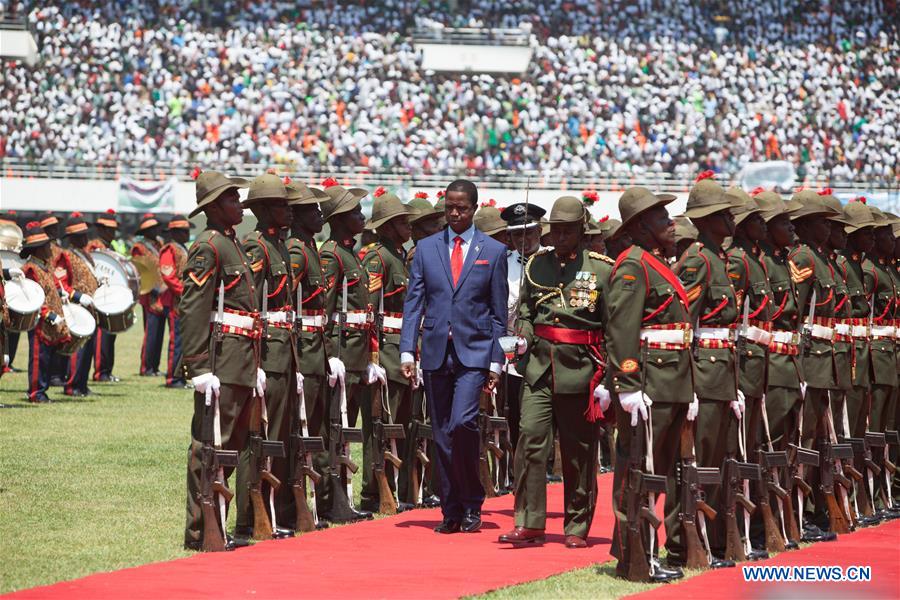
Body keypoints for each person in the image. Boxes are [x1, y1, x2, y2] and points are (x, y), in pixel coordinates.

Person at [498, 195, 610, 549]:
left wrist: (606, 374)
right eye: (555, 230)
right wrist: (524, 337)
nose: (559, 237)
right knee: (530, 439)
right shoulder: (536, 266)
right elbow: (528, 312)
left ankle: (576, 525)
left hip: (581, 369)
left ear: (581, 230)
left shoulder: (602, 270)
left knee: (578, 452)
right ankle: (530, 522)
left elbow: (612, 325)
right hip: (538, 368)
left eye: (566, 231)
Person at [399, 179, 509, 534]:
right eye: (449, 208)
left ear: (474, 208)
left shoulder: (492, 251)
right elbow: (414, 303)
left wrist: (496, 360)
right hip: (434, 350)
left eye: (461, 208)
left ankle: (472, 500)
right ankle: (452, 509)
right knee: (442, 433)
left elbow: (497, 312)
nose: (455, 213)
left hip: (474, 351)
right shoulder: (427, 249)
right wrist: (406, 349)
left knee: (463, 423)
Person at [606, 186, 690, 583]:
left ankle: (649, 552)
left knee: (661, 471)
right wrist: (626, 382)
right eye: (661, 218)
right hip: (648, 382)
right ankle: (634, 554)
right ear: (641, 226)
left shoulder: (656, 262)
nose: (671, 224)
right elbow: (622, 328)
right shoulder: (631, 265)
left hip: (670, 381)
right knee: (639, 471)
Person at [182, 170, 257, 551]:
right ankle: (201, 531)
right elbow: (193, 309)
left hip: (241, 357)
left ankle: (221, 526)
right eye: (231, 199)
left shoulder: (234, 244)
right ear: (213, 207)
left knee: (229, 446)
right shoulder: (208, 246)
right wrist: (198, 368)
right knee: (209, 447)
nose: (239, 204)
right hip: (221, 358)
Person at [675, 173, 745, 563]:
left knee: (718, 460)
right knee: (699, 461)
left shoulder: (718, 258)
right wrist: (689, 385)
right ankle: (693, 540)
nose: (731, 220)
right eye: (723, 214)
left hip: (721, 370)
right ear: (706, 220)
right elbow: (684, 322)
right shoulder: (699, 261)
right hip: (703, 371)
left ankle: (714, 538)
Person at [788, 190, 844, 538]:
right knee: (805, 437)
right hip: (809, 356)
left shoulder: (823, 258)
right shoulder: (804, 257)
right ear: (808, 225)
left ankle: (813, 508)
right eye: (823, 221)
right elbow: (795, 311)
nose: (829, 227)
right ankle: (800, 511)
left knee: (820, 437)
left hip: (826, 357)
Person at [318, 177, 374, 522]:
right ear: (339, 219)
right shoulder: (332, 255)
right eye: (355, 211)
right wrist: (330, 354)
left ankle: (341, 498)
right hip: (341, 350)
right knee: (335, 429)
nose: (362, 216)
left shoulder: (349, 253)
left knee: (345, 428)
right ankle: (332, 500)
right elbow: (324, 310)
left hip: (356, 353)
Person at [755, 191, 809, 545]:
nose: (791, 227)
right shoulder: (758, 263)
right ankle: (761, 524)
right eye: (783, 222)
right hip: (771, 365)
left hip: (788, 364)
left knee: (786, 447)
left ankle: (781, 521)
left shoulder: (781, 261)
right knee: (767, 446)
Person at [725, 188, 777, 553]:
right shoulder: (737, 260)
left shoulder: (755, 260)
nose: (763, 224)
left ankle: (752, 529)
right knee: (739, 450)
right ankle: (739, 532)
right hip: (741, 363)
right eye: (756, 219)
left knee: (754, 447)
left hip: (759, 362)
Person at [360, 189, 413, 510]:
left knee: (401, 424)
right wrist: (372, 355)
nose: (408, 226)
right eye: (402, 221)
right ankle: (374, 490)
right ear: (388, 225)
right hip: (386, 349)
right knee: (381, 424)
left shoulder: (398, 255)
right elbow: (370, 308)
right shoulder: (377, 257)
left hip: (402, 347)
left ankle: (396, 487)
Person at [284, 180, 332, 521]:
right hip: (304, 347)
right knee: (300, 430)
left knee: (316, 429)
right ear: (299, 217)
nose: (320, 215)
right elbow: (284, 301)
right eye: (313, 210)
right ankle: (293, 504)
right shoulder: (298, 252)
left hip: (319, 348)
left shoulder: (310, 248)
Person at [498, 201, 546, 488]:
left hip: (545, 353)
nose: (524, 240)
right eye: (517, 236)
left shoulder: (551, 263)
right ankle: (519, 479)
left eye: (529, 233)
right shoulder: (502, 264)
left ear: (540, 232)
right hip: (511, 354)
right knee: (515, 420)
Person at [865, 206, 899, 516]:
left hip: (889, 354)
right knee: (874, 430)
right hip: (875, 353)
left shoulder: (887, 270)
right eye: (887, 234)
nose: (893, 240)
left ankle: (885, 493)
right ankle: (870, 495)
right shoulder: (871, 271)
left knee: (888, 431)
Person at [20, 221, 70, 403]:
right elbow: (30, 296)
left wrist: (61, 293)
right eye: (47, 245)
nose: (50, 248)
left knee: (47, 357)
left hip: (51, 320)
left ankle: (42, 389)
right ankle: (36, 392)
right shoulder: (31, 269)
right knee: (38, 357)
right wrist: (48, 313)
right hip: (40, 320)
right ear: (38, 249)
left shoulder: (43, 266)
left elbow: (53, 288)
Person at [58, 212, 99, 398]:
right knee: (77, 350)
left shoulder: (86, 255)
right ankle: (72, 385)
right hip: (76, 307)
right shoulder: (65, 256)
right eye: (81, 235)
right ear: (73, 238)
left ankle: (82, 384)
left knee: (88, 349)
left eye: (85, 234)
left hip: (90, 307)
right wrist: (78, 296)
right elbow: (61, 283)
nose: (85, 238)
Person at [88, 208, 123, 382]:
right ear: (101, 229)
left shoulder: (109, 246)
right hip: (99, 297)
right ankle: (100, 372)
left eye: (114, 229)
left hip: (109, 296)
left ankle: (106, 371)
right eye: (109, 229)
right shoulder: (95, 246)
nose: (112, 232)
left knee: (110, 336)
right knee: (102, 336)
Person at [159, 215, 191, 388]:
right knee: (176, 340)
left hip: (182, 300)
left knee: (183, 340)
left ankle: (180, 375)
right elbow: (168, 275)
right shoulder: (169, 249)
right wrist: (184, 291)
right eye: (184, 231)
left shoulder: (182, 248)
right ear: (175, 233)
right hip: (174, 301)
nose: (187, 234)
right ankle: (173, 377)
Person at [132, 213, 165, 377]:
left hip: (163, 293)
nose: (156, 230)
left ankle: (155, 366)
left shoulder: (158, 244)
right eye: (152, 228)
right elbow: (141, 272)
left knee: (159, 333)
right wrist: (154, 289)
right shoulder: (140, 247)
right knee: (151, 332)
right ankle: (146, 367)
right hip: (150, 293)